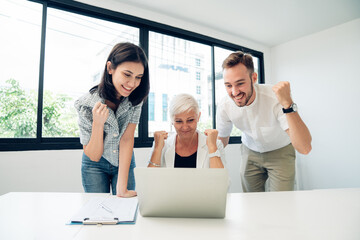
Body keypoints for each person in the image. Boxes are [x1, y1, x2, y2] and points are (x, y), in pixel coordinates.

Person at [216, 51, 312, 192]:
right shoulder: (225, 105)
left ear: (254, 78)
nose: (235, 92)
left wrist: (288, 104)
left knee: (281, 202)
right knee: (251, 201)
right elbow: (221, 141)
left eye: (240, 83)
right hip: (250, 151)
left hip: (281, 151)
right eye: (228, 85)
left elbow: (305, 148)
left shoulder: (275, 98)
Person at [74, 42, 149, 197]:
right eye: (127, 75)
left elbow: (127, 139)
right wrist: (98, 124)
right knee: (97, 211)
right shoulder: (85, 104)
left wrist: (122, 189)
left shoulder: (135, 100)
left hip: (123, 160)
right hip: (94, 164)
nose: (132, 84)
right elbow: (93, 156)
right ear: (110, 68)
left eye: (138, 77)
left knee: (123, 208)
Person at [148, 93, 225, 168]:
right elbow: (150, 180)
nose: (185, 127)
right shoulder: (161, 144)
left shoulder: (215, 145)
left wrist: (212, 147)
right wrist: (157, 149)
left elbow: (222, 180)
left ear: (198, 117)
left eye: (190, 120)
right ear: (172, 120)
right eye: (179, 121)